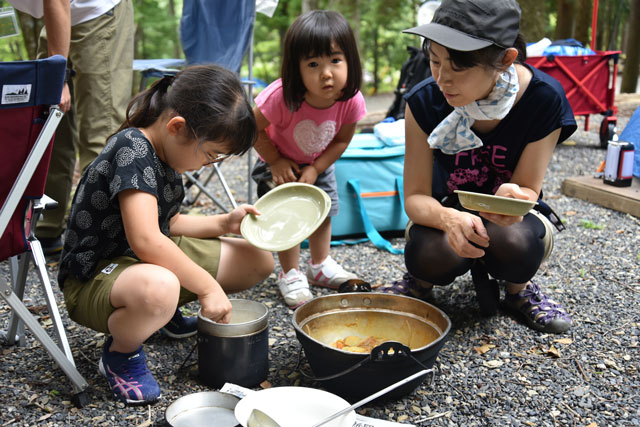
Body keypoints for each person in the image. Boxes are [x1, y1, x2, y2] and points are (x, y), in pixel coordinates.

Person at [57, 65, 275, 404]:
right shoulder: (132, 149)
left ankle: (163, 315)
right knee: (160, 287)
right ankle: (120, 354)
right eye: (210, 155)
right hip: (94, 275)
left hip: (139, 261)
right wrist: (207, 286)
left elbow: (167, 224)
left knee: (257, 259)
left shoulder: (166, 153)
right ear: (177, 128)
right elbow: (146, 240)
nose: (209, 164)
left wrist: (224, 223)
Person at [381, 0, 575, 334]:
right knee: (427, 253)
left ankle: (518, 290)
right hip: (445, 213)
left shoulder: (543, 99)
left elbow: (529, 187)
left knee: (517, 246)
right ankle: (420, 284)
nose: (442, 79)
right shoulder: (423, 101)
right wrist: (450, 218)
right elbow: (414, 197)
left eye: (457, 67)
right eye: (435, 60)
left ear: (505, 59)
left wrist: (517, 196)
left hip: (512, 220)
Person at [251, 10, 367, 308]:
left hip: (319, 162)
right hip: (278, 163)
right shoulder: (281, 97)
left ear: (350, 61)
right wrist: (275, 161)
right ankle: (290, 272)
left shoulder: (350, 99)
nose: (326, 73)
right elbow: (252, 130)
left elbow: (341, 139)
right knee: (288, 215)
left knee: (323, 210)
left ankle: (319, 264)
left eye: (335, 60)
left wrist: (317, 168)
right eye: (313, 64)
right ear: (296, 69)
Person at [17, 0, 134, 256]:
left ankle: (97, 244)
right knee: (48, 124)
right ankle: (47, 229)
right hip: (58, 15)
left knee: (99, 131)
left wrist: (58, 76)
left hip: (98, 9)